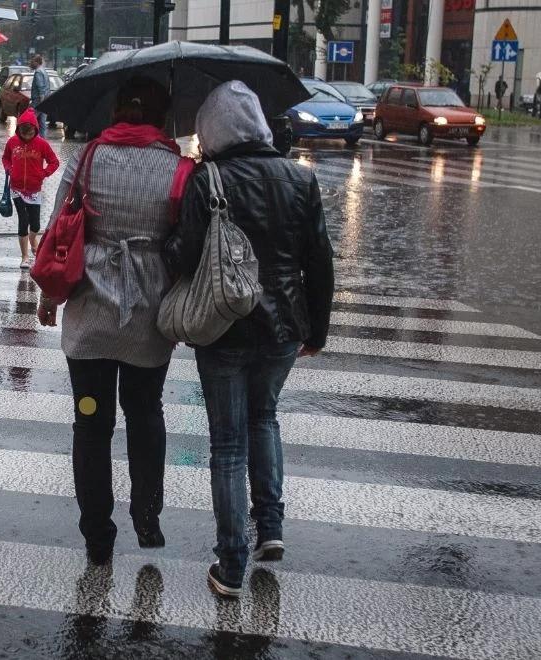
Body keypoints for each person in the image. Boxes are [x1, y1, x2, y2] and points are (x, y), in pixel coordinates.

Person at [174, 81, 333, 598]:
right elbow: (319, 263)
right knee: (265, 418)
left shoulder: (208, 180)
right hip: (285, 327)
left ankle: (231, 564)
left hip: (223, 327)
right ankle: (271, 529)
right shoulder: (300, 179)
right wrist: (317, 330)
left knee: (227, 442)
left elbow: (185, 257)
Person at [36, 77, 185, 566]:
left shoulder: (86, 158)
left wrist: (49, 296)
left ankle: (97, 533)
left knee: (90, 423)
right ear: (163, 115)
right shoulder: (180, 169)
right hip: (150, 312)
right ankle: (147, 514)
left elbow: (59, 225)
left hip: (90, 310)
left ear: (115, 111)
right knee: (145, 413)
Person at [1, 107, 60, 268]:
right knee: (23, 220)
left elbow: (55, 162)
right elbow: (5, 158)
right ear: (19, 130)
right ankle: (25, 256)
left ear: (35, 129)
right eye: (24, 134)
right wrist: (9, 169)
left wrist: (44, 173)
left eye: (30, 134)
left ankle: (33, 240)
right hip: (16, 188)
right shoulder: (12, 142)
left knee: (35, 224)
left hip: (35, 189)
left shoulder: (42, 144)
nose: (27, 137)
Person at [30, 54, 50, 133]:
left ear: (37, 62)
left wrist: (41, 99)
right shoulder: (44, 71)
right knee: (42, 122)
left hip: (38, 100)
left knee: (31, 119)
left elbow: (40, 86)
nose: (31, 63)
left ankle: (29, 136)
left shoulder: (38, 71)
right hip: (44, 99)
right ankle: (42, 139)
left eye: (33, 61)